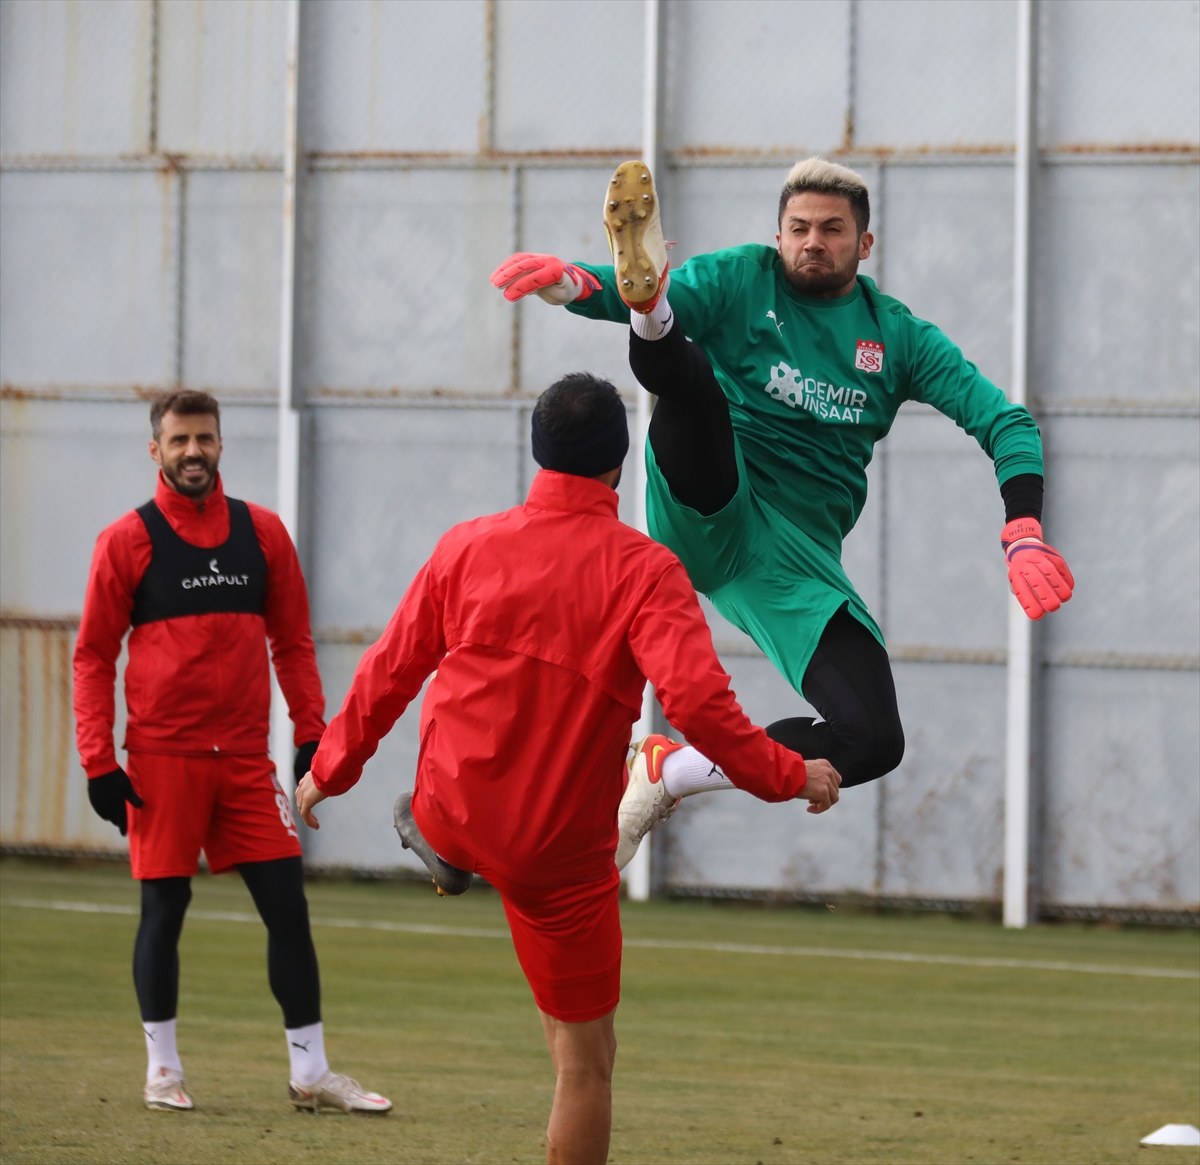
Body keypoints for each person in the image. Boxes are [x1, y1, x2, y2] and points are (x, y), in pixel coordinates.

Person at [294, 372, 841, 1165]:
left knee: (475, 783)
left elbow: (389, 669)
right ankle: (624, 791)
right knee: (587, 1066)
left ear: (536, 450)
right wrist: (794, 773)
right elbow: (705, 710)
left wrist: (328, 770)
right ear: (620, 465)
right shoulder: (647, 571)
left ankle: (446, 841)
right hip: (551, 850)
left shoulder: (466, 545)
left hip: (452, 798)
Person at [490, 157, 1075, 854]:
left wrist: (1024, 527)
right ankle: (655, 316)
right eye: (798, 227)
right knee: (693, 374)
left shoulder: (898, 337)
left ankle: (669, 770)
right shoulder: (745, 278)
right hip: (711, 494)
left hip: (793, 561)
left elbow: (1006, 422)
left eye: (832, 229)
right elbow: (611, 291)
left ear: (865, 244)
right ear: (778, 234)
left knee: (872, 737)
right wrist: (574, 283)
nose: (813, 241)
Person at [73, 389, 391, 1115]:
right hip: (162, 759)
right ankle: (162, 1070)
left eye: (205, 438)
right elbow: (92, 655)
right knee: (166, 906)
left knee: (288, 908)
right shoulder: (127, 540)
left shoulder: (263, 533)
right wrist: (99, 761)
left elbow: (293, 640)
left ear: (221, 444)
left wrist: (312, 733)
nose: (194, 451)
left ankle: (311, 1073)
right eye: (179, 440)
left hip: (247, 762)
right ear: (155, 450)